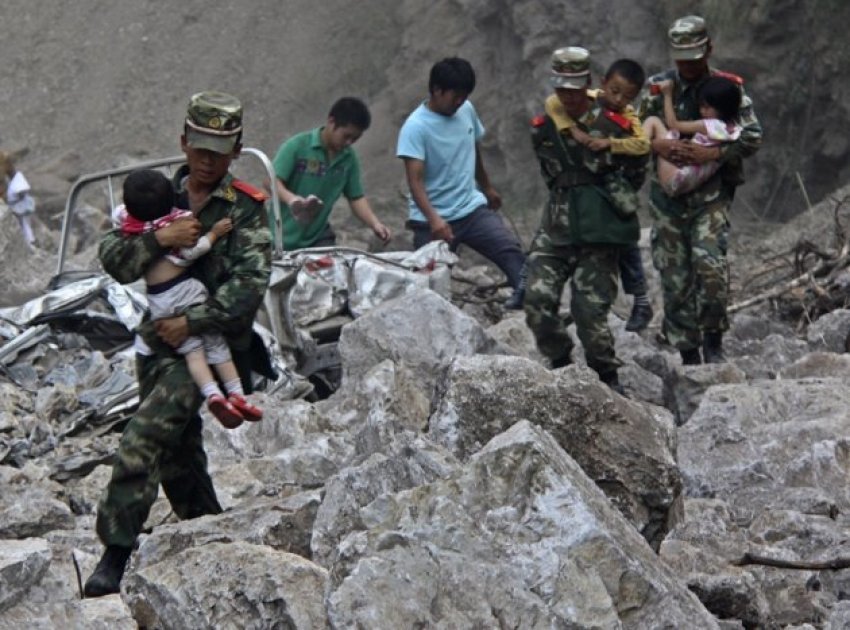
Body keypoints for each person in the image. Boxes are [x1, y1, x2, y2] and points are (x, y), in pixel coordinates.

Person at [84, 91, 273, 597]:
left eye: (220, 149)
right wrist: (158, 241)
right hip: (157, 346)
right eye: (200, 147)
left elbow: (249, 285)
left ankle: (114, 554)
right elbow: (113, 255)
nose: (207, 160)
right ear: (184, 142)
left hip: (210, 347)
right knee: (178, 453)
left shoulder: (245, 209)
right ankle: (209, 531)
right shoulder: (155, 199)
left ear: (237, 150)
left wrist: (191, 322)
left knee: (143, 438)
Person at [639, 15, 762, 364]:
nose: (687, 64)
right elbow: (634, 134)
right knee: (674, 275)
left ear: (708, 49)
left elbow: (752, 136)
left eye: (693, 55)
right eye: (680, 56)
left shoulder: (727, 89)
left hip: (710, 195)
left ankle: (713, 340)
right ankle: (688, 353)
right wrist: (657, 147)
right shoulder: (658, 88)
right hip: (668, 198)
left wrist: (714, 152)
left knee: (710, 267)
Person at [524, 47, 647, 394]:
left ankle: (607, 376)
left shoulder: (615, 125)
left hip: (599, 230)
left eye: (575, 89)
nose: (569, 96)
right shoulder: (544, 127)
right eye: (562, 89)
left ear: (590, 84)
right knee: (537, 302)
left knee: (589, 313)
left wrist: (601, 197)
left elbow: (637, 172)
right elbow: (549, 173)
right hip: (557, 227)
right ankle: (561, 364)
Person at [119, 168, 263, 429]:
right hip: (186, 293)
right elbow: (193, 252)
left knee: (194, 354)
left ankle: (213, 395)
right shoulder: (177, 227)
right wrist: (215, 233)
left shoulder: (132, 227)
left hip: (159, 303)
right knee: (217, 349)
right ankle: (239, 396)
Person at [396, 57, 526, 309]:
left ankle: (528, 311)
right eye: (455, 96)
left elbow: (473, 149)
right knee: (425, 287)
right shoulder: (415, 127)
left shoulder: (466, 110)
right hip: (431, 222)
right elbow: (415, 181)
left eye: (464, 96)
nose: (460, 102)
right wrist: (434, 219)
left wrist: (487, 187)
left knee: (512, 253)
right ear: (437, 90)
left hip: (471, 209)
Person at [554, 58, 654, 332]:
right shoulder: (586, 103)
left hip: (615, 192)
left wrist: (609, 146)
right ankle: (581, 308)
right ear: (602, 83)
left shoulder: (627, 119)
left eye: (627, 96)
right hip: (584, 195)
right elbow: (554, 105)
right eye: (614, 90)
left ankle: (640, 301)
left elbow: (641, 149)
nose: (618, 99)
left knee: (624, 243)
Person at [271, 96, 391, 250]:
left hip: (317, 237)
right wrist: (293, 200)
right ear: (331, 122)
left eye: (354, 139)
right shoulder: (297, 146)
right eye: (346, 136)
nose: (349, 143)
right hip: (282, 237)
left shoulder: (349, 158)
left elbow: (355, 197)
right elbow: (271, 181)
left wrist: (375, 224)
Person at [643, 75, 742, 197]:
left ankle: (638, 147)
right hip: (688, 183)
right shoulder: (732, 129)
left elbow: (673, 124)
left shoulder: (709, 125)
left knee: (653, 121)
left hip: (674, 177)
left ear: (722, 107)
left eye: (707, 107)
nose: (702, 111)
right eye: (701, 106)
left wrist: (667, 95)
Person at [0, 151, 37, 250]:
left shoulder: (3, 158)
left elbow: (14, 176)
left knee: (22, 220)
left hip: (5, 200)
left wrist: (20, 190)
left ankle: (29, 242)